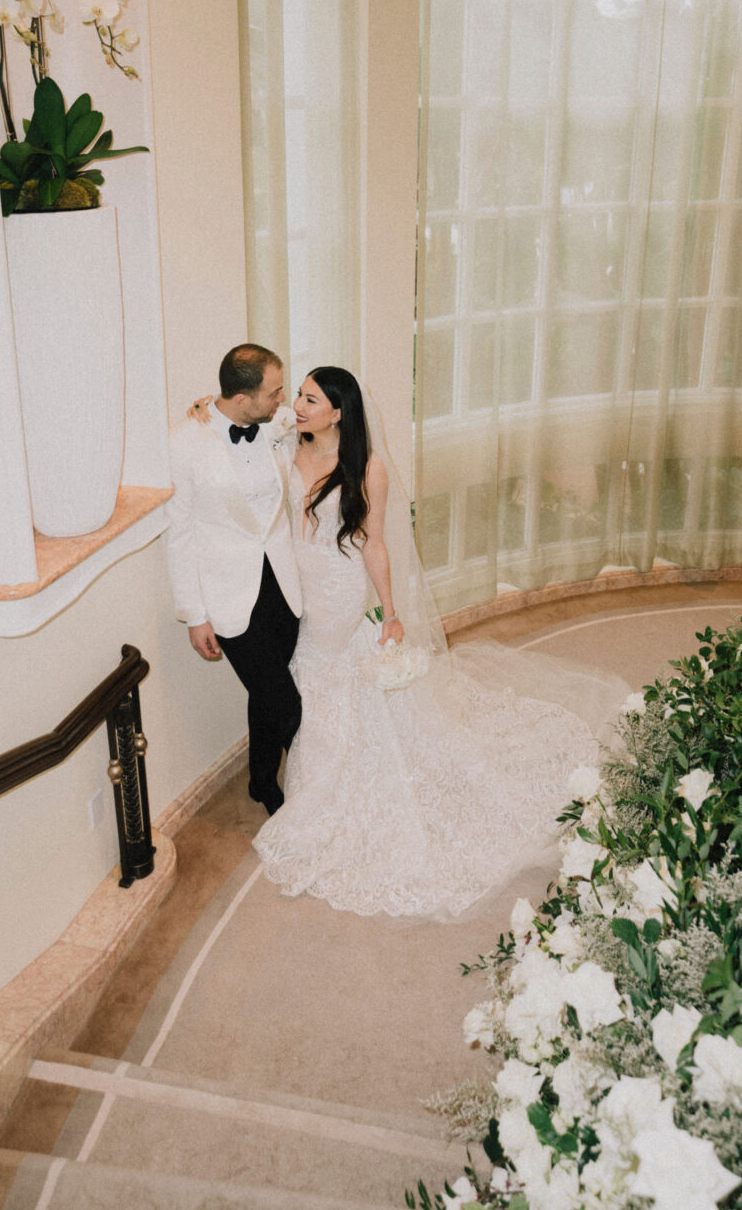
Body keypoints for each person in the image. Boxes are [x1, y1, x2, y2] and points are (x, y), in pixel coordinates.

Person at [190, 366, 629, 921]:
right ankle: (277, 767)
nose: (298, 405)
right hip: (291, 585)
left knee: (321, 673)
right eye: (296, 395)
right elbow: (240, 419)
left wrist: (390, 613)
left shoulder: (366, 469)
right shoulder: (281, 441)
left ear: (339, 412)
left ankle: (319, 773)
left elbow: (373, 544)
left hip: (338, 590)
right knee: (290, 677)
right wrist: (205, 409)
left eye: (311, 399)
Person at [166, 343, 302, 816]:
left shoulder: (277, 425)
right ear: (243, 398)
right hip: (227, 598)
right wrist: (194, 615)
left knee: (266, 698)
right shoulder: (184, 442)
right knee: (287, 706)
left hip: (283, 586)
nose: (283, 400)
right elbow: (178, 535)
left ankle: (263, 783)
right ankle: (325, 793)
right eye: (275, 391)